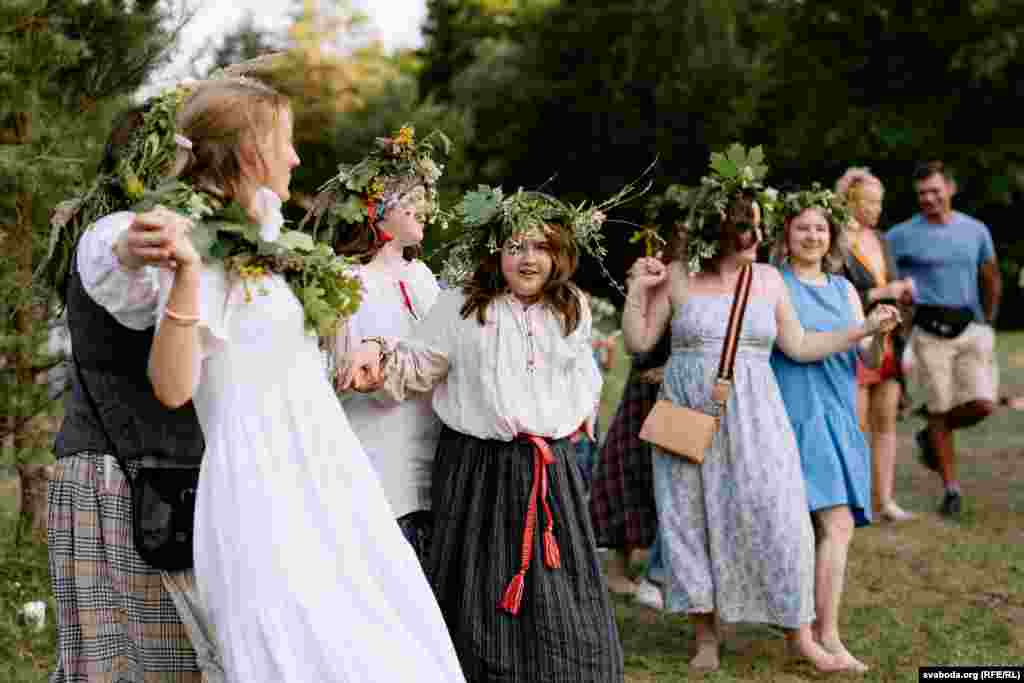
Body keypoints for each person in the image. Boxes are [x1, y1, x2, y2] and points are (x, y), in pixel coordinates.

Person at [148, 77, 465, 682]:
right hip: (262, 483)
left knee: (385, 634)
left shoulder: (272, 240)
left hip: (329, 466)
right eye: (284, 143)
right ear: (248, 152)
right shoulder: (197, 250)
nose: (295, 158)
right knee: (295, 649)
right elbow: (173, 386)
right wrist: (186, 278)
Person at [621, 148, 898, 673]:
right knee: (689, 519)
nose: (749, 232)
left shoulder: (768, 280)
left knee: (781, 517)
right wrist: (638, 289)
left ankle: (802, 635)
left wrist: (862, 330)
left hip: (757, 414)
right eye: (738, 223)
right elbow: (639, 341)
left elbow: (799, 346)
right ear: (712, 223)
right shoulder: (679, 276)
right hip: (687, 411)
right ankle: (706, 636)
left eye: (753, 224)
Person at [343, 186, 628, 683]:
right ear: (495, 250)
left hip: (546, 472)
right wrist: (377, 362)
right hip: (478, 473)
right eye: (516, 245)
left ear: (559, 253)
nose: (528, 258)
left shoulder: (571, 309)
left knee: (560, 605)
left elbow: (584, 374)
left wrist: (577, 412)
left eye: (541, 246)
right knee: (480, 601)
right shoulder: (463, 307)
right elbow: (418, 363)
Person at [44, 93, 219, 683]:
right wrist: (132, 248)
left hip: (160, 477)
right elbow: (120, 253)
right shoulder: (114, 232)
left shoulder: (203, 236)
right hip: (114, 476)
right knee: (121, 666)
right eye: (184, 154)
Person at [770, 189, 894, 673]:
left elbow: (867, 361)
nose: (812, 236)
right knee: (822, 525)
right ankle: (821, 635)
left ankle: (817, 633)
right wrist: (862, 329)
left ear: (833, 235)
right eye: (802, 227)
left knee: (829, 526)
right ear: (786, 234)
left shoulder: (844, 288)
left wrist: (878, 333)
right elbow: (798, 347)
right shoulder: (774, 284)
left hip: (837, 414)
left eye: (820, 228)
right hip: (793, 413)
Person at [310, 126, 447, 565]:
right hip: (375, 446)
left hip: (431, 445)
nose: (424, 209)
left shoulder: (423, 277)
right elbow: (331, 366)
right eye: (411, 201)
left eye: (425, 199)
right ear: (377, 210)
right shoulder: (345, 278)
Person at [887, 160, 1002, 517]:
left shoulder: (975, 230)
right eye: (922, 193)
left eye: (935, 191)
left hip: (971, 327)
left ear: (950, 189)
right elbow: (883, 272)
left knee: (983, 403)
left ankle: (931, 436)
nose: (929, 198)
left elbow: (991, 276)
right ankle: (951, 489)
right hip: (928, 332)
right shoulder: (901, 235)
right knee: (937, 406)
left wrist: (988, 320)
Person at [835, 167, 916, 522]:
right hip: (857, 339)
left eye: (879, 202)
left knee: (886, 421)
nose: (876, 208)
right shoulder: (835, 241)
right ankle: (853, 500)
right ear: (848, 200)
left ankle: (885, 501)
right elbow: (837, 292)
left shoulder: (882, 239)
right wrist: (883, 293)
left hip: (889, 339)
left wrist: (902, 295)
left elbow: (893, 284)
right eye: (869, 201)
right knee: (857, 424)